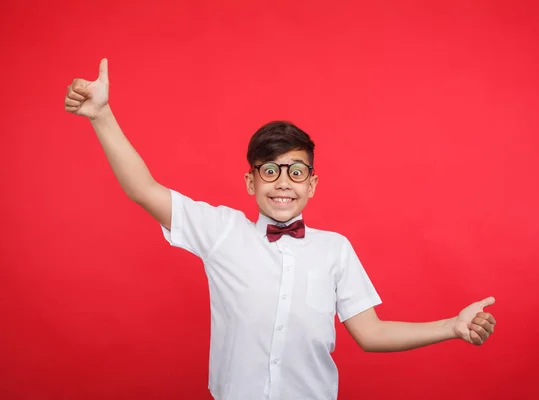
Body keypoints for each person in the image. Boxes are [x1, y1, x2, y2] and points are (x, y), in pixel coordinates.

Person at [64, 59, 497, 400]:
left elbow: (371, 333)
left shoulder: (335, 250)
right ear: (252, 181)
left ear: (312, 184)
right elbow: (144, 189)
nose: (283, 181)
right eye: (270, 170)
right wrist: (100, 115)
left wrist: (451, 327)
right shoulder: (221, 231)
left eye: (296, 171)